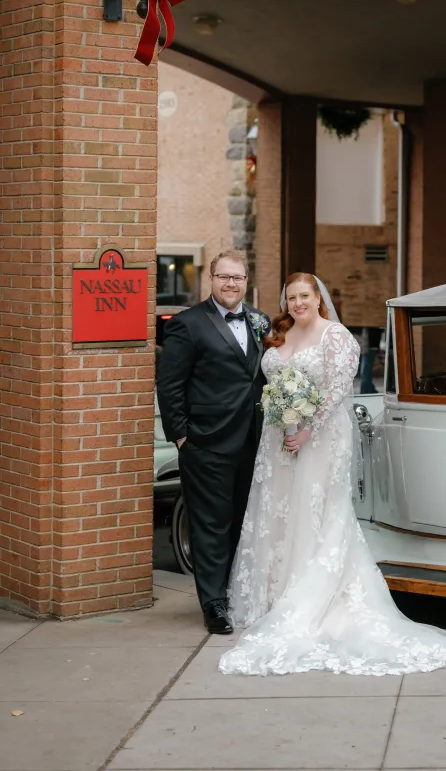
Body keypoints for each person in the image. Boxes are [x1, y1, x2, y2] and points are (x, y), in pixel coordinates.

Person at [218, 272, 446, 676]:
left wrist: (307, 428)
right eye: (291, 298)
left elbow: (338, 389)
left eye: (304, 296)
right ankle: (274, 596)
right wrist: (285, 421)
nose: (297, 304)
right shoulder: (280, 333)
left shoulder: (337, 336)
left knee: (318, 513)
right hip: (278, 440)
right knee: (280, 514)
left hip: (322, 438)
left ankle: (315, 600)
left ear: (318, 298)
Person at [157, 249, 270, 635]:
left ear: (246, 280)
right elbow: (169, 385)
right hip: (205, 442)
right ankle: (214, 604)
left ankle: (238, 592)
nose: (230, 284)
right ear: (211, 278)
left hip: (253, 442)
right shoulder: (187, 324)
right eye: (224, 277)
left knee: (243, 521)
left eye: (237, 278)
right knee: (210, 525)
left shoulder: (260, 320)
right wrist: (182, 436)